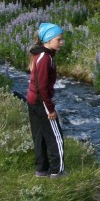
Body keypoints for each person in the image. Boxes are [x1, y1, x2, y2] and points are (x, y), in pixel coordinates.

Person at [26, 23, 66, 177]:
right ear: (48, 41)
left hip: (33, 101)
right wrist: (50, 109)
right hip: (41, 102)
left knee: (40, 135)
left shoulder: (39, 55)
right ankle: (57, 171)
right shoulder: (45, 58)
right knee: (56, 137)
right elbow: (41, 87)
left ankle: (41, 170)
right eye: (59, 39)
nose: (61, 42)